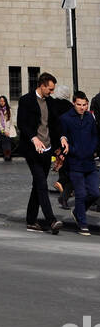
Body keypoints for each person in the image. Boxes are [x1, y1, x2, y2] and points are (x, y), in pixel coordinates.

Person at [17, 71, 64, 235]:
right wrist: (33, 138)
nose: (52, 92)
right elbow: (22, 123)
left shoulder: (50, 103)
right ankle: (51, 220)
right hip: (32, 150)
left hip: (47, 149)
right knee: (42, 185)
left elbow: (56, 125)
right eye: (50, 89)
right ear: (42, 85)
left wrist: (61, 141)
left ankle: (31, 220)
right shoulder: (26, 100)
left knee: (38, 184)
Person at [58, 91, 100, 235]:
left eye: (85, 105)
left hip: (89, 161)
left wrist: (93, 149)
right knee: (81, 194)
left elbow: (95, 135)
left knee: (95, 193)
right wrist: (73, 150)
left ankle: (77, 212)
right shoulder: (65, 118)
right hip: (74, 162)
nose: (82, 107)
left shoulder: (90, 117)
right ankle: (82, 223)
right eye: (79, 105)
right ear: (74, 103)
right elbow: (62, 135)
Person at [0, 95, 16, 161]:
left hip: (8, 129)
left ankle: (7, 154)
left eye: (3, 101)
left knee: (6, 138)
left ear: (5, 102)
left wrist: (6, 130)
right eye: (0, 101)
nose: (2, 102)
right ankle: (7, 154)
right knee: (4, 137)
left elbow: (9, 121)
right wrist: (3, 130)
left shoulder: (9, 110)